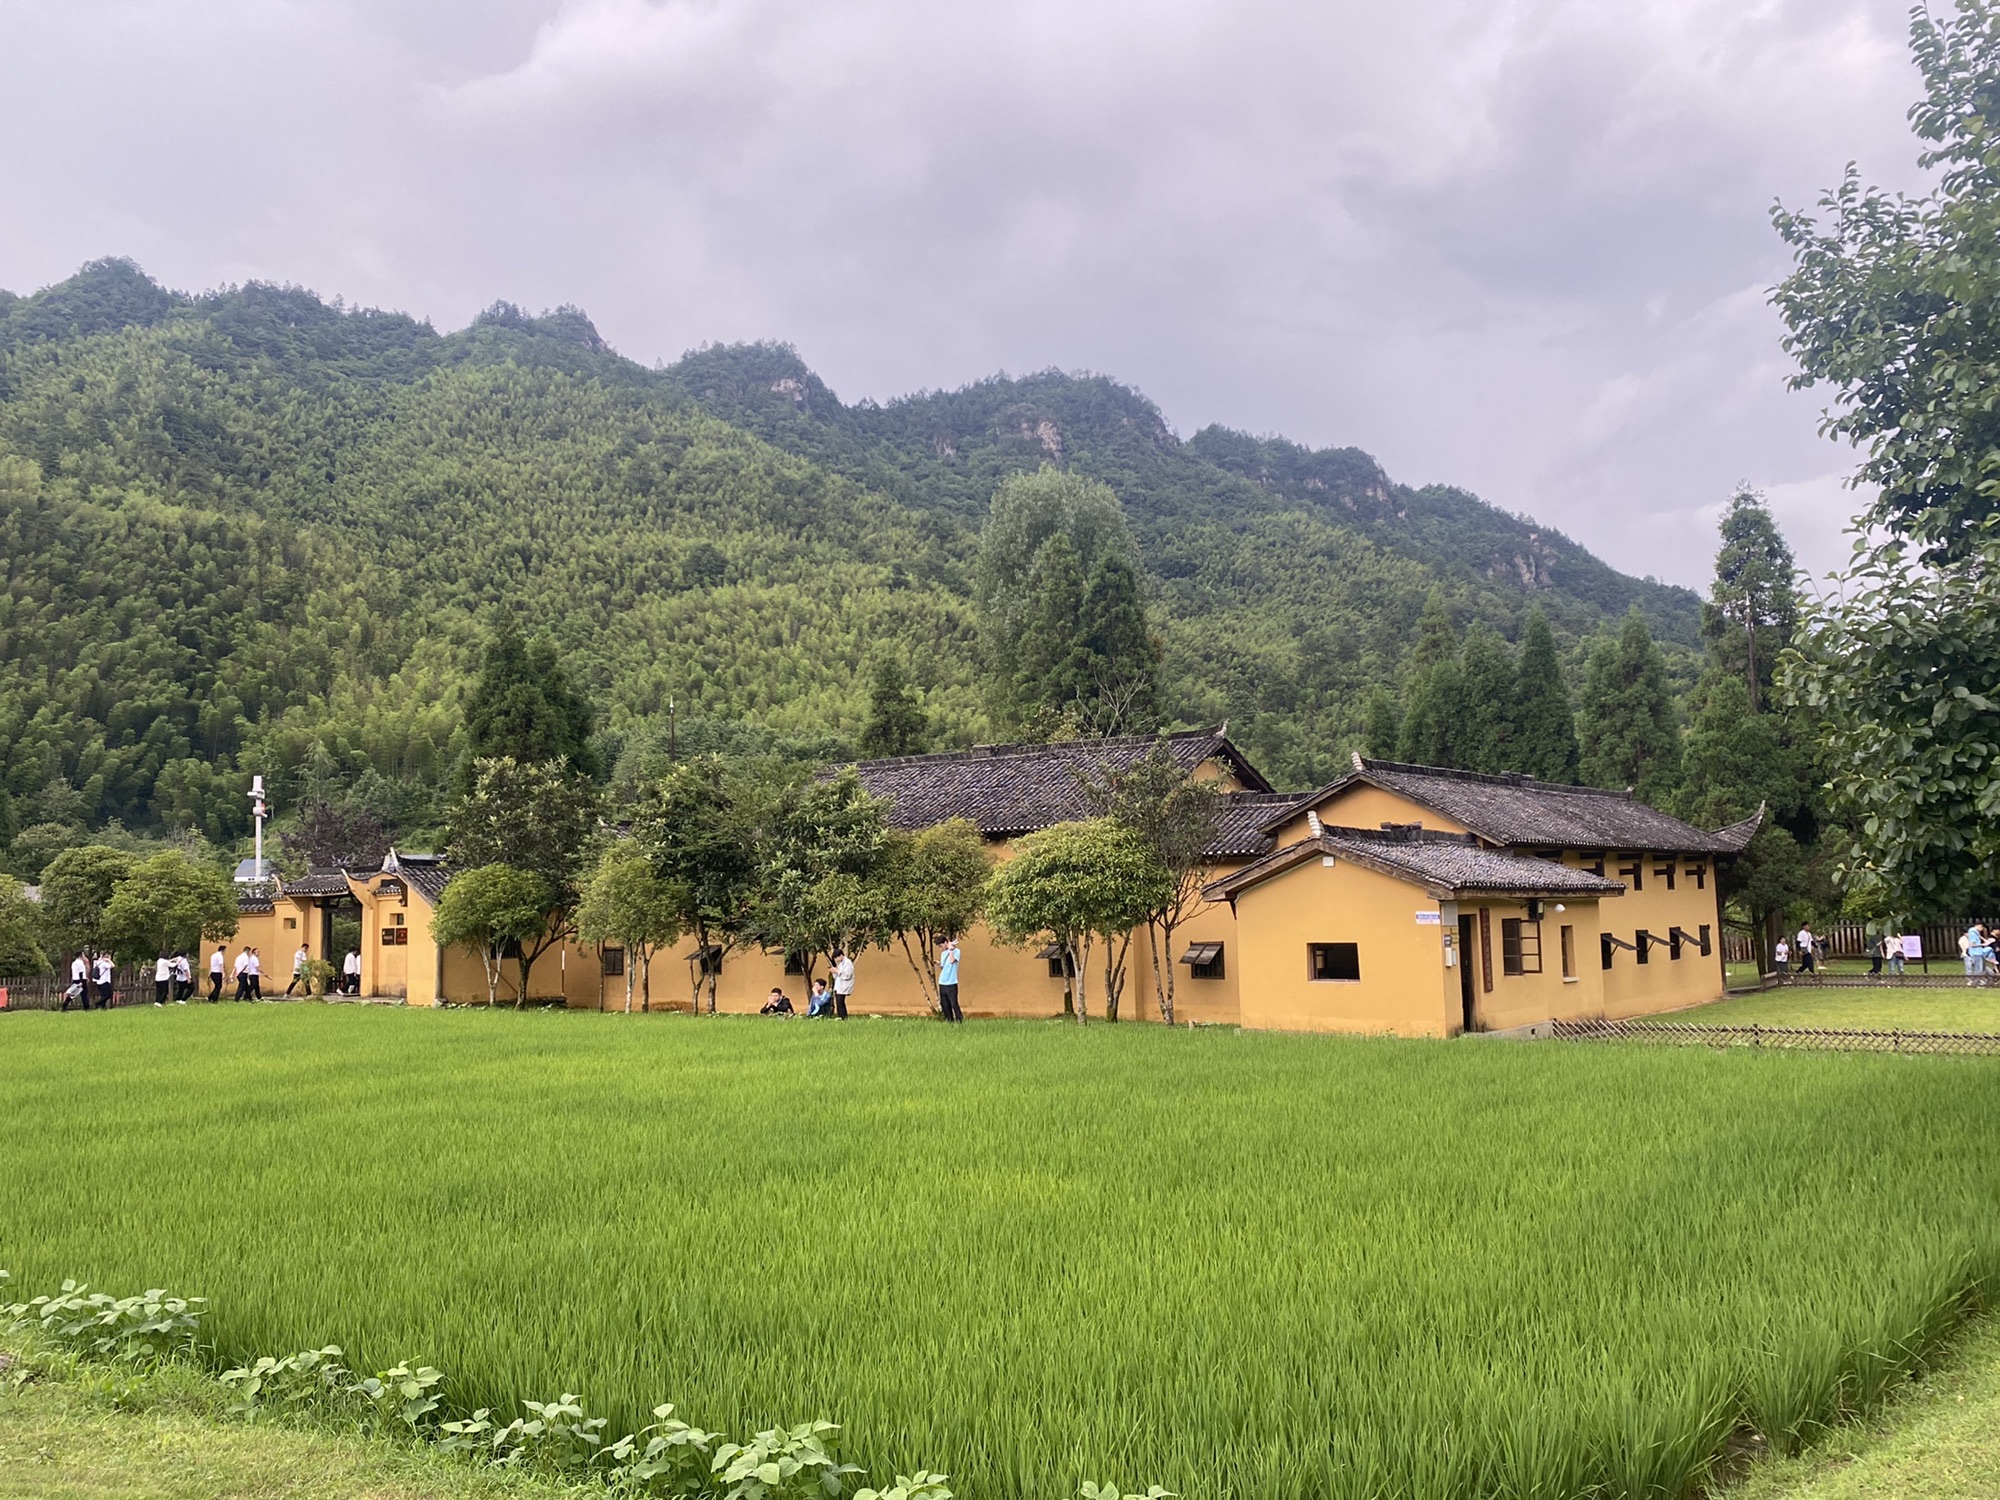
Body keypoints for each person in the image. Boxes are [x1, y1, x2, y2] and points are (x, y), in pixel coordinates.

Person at [936, 937, 963, 1023]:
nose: (941, 948)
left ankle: (959, 1021)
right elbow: (944, 967)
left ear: (945, 942)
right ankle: (949, 1021)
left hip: (951, 983)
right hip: (942, 982)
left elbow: (952, 961)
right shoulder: (943, 954)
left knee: (954, 1004)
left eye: (941, 946)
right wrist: (939, 964)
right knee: (945, 1005)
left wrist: (951, 949)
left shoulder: (957, 951)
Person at [831, 949, 854, 1020]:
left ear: (841, 955)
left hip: (844, 986)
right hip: (839, 986)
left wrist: (837, 971)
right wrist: (834, 972)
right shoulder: (840, 963)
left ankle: (843, 1018)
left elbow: (847, 975)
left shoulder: (848, 963)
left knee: (840, 1003)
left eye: (836, 957)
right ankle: (841, 1017)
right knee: (839, 1003)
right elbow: (837, 976)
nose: (836, 960)